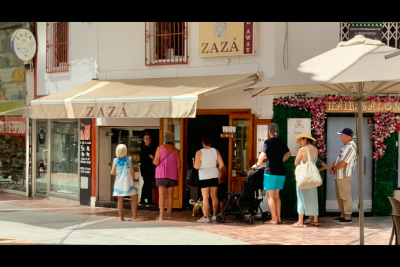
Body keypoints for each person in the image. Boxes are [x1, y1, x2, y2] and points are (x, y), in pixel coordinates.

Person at [252, 123, 291, 225]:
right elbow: (289, 154)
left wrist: (256, 164)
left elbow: (262, 155)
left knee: (271, 196)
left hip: (270, 172)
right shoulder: (281, 141)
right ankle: (278, 218)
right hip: (281, 172)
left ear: (269, 132)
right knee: (277, 196)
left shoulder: (268, 142)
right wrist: (281, 161)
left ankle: (274, 219)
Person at [329, 128, 357, 224]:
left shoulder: (350, 147)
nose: (340, 136)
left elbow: (343, 163)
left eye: (342, 134)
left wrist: (333, 168)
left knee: (345, 196)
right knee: (340, 196)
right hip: (339, 175)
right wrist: (332, 166)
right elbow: (339, 159)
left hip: (344, 175)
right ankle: (342, 215)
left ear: (347, 136)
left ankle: (347, 216)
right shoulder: (346, 146)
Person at [194, 134, 224, 223]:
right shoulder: (216, 151)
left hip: (204, 175)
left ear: (202, 142)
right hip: (214, 174)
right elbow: (222, 164)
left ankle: (206, 217)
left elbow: (196, 166)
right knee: (214, 196)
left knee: (205, 197)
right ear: (210, 142)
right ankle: (215, 215)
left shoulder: (199, 152)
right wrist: (216, 169)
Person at [293, 132, 319, 228]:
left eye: (301, 139)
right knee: (313, 198)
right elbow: (315, 160)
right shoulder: (315, 149)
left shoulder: (302, 150)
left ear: (306, 139)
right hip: (313, 177)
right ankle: (315, 220)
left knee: (301, 198)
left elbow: (296, 162)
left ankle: (300, 221)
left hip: (303, 177)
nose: (300, 141)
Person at [153, 131, 180, 220]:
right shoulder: (176, 150)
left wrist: (153, 160)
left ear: (164, 139)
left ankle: (161, 215)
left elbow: (156, 162)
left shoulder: (160, 148)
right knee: (170, 195)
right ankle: (169, 215)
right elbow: (179, 165)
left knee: (161, 195)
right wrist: (177, 174)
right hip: (172, 175)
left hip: (161, 174)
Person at [110, 144, 141, 222]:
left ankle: (121, 217)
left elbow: (112, 172)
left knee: (120, 199)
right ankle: (134, 216)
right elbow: (132, 171)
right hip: (128, 182)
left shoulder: (115, 160)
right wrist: (133, 179)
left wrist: (118, 172)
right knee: (134, 198)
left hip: (119, 182)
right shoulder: (129, 159)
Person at [304, 157, 328, 225]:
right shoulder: (315, 158)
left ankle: (311, 218)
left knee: (310, 198)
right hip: (311, 180)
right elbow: (325, 166)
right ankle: (313, 218)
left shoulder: (313, 158)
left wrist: (315, 170)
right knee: (312, 198)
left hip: (308, 179)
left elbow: (325, 166)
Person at [139, 132, 156, 206]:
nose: (148, 140)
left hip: (149, 169)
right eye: (147, 139)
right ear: (144, 140)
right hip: (145, 169)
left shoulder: (151, 148)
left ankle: (142, 199)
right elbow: (152, 157)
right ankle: (149, 201)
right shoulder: (144, 148)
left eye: (149, 138)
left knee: (146, 184)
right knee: (148, 184)